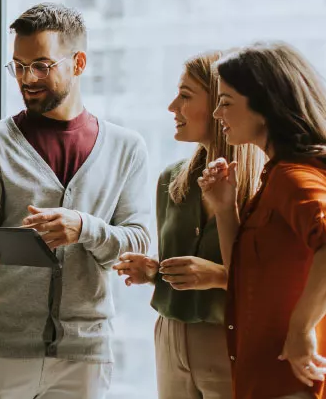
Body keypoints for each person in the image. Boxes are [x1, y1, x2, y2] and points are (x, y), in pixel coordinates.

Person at [0, 2, 152, 398]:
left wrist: (84, 228)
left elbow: (138, 242)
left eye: (41, 65)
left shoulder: (127, 148)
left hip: (85, 353)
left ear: (78, 62)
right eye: (19, 66)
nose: (27, 78)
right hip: (0, 349)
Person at [199, 41, 326, 399]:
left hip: (294, 387)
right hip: (268, 383)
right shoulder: (275, 177)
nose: (217, 113)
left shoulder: (295, 177)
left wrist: (300, 329)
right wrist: (225, 208)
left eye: (227, 102)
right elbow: (241, 277)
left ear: (265, 107)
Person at [113, 51, 265, 399]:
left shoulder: (262, 188)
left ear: (220, 104)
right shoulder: (171, 182)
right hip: (169, 335)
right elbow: (182, 266)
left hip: (228, 339)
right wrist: (154, 271)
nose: (172, 107)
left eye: (184, 96)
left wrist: (216, 276)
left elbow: (273, 281)